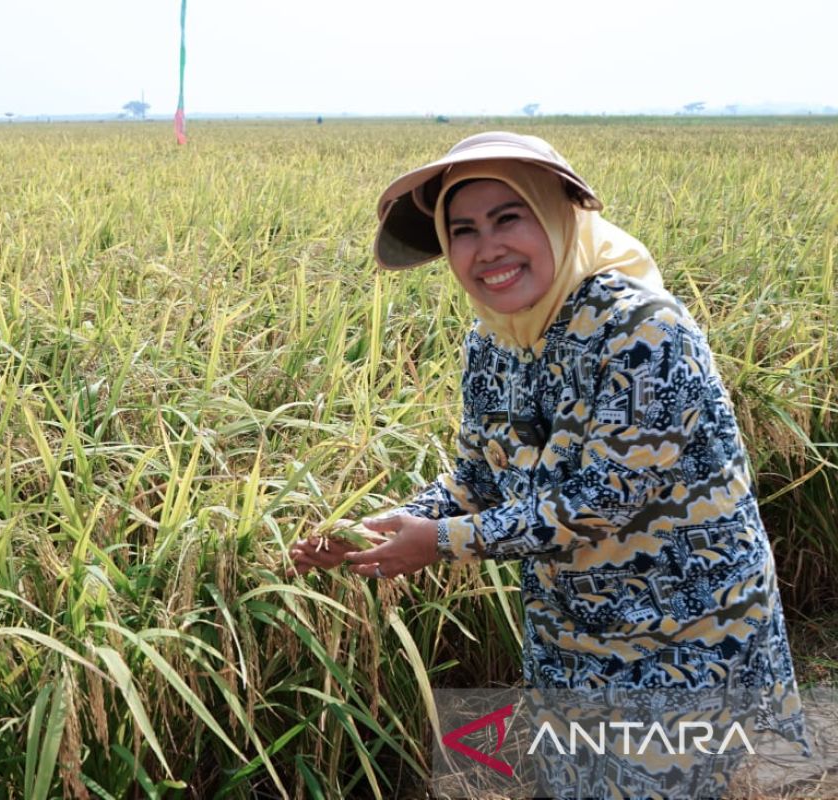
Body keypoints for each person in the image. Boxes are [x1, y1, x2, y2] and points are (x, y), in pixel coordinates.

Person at [287, 131, 809, 797]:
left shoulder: (643, 329)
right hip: (573, 634)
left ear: (559, 218)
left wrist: (438, 542)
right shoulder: (492, 340)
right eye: (464, 230)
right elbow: (478, 478)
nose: (488, 248)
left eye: (510, 218)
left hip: (686, 633)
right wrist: (388, 527)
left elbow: (605, 499)